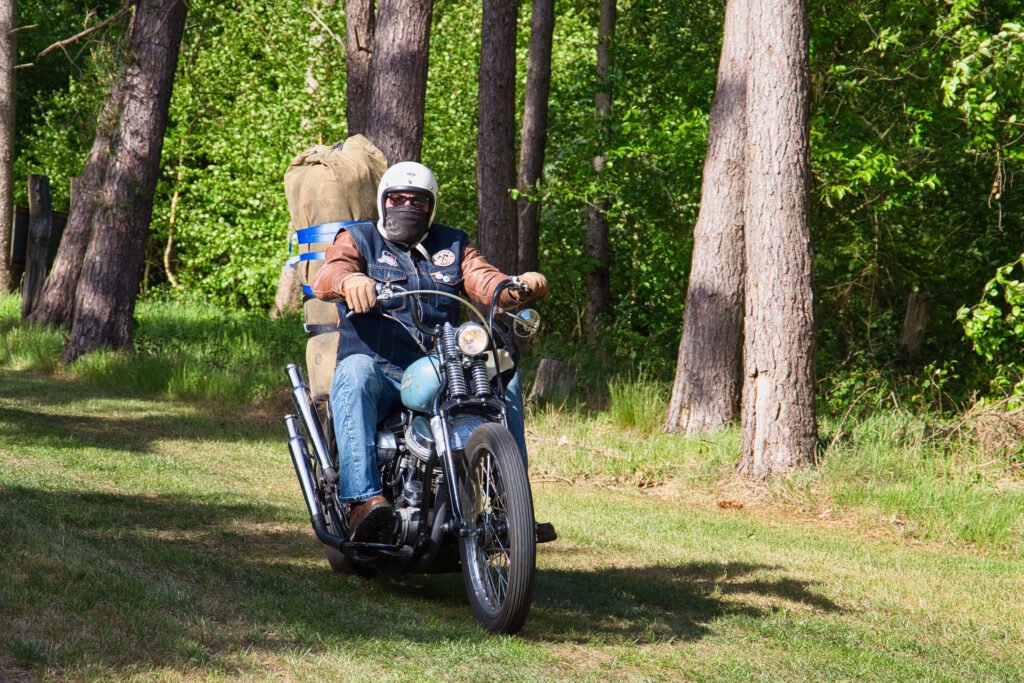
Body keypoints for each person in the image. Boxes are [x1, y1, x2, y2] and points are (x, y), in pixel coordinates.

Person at [312, 161, 549, 543]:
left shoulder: (452, 244)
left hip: (439, 367)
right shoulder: (358, 238)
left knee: (503, 372)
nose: (407, 206)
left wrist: (514, 287)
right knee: (354, 373)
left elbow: (483, 279)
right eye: (398, 198)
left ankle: (510, 505)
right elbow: (328, 274)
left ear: (431, 206)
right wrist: (350, 279)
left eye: (417, 201)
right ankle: (362, 503)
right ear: (383, 201)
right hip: (380, 370)